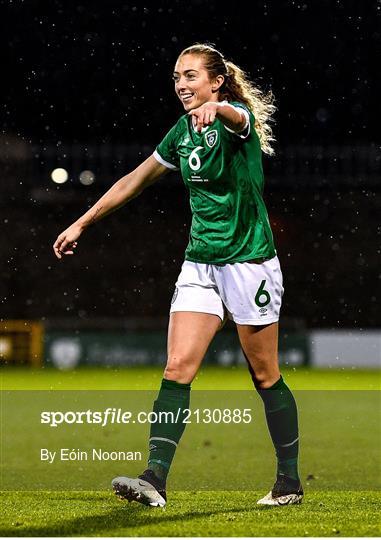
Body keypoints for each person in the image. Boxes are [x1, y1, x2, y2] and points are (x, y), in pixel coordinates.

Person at [53, 43, 303, 507]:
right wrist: (82, 222)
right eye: (176, 78)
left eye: (190, 76)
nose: (181, 85)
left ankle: (289, 482)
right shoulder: (182, 132)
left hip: (249, 263)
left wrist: (218, 108)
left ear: (216, 81)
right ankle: (155, 478)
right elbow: (135, 179)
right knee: (176, 368)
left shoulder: (234, 120)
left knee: (265, 375)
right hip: (200, 262)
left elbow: (238, 117)